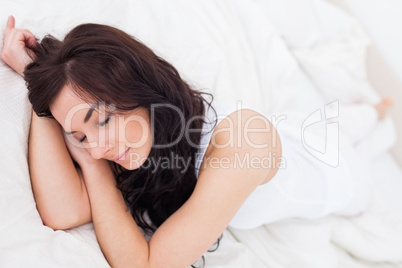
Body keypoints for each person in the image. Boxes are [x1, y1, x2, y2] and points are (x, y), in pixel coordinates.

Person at [1, 16, 394, 268]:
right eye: (80, 135)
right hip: (277, 140)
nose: (98, 147)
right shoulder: (127, 142)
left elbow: (146, 265)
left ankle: (378, 109)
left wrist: (89, 161)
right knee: (330, 124)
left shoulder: (242, 148)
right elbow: (63, 212)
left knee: (355, 136)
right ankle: (366, 111)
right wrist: (40, 90)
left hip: (328, 173)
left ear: (142, 89)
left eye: (103, 120)